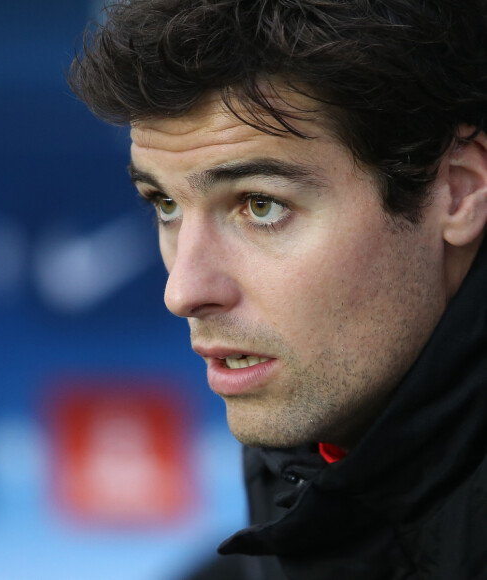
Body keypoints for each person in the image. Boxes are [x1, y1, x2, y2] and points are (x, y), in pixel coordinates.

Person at [68, 1, 487, 578]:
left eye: (260, 206)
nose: (182, 291)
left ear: (459, 194)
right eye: (165, 204)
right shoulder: (310, 438)